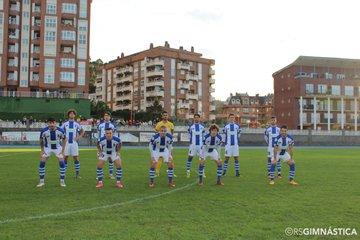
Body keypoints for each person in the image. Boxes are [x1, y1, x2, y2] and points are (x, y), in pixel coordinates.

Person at [36, 117, 67, 187]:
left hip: (58, 148)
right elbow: (41, 140)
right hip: (47, 148)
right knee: (42, 162)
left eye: (53, 123)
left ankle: (62, 181)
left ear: (55, 123)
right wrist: (42, 150)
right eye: (50, 123)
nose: (52, 124)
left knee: (62, 162)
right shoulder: (44, 131)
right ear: (48, 123)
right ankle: (41, 181)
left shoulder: (61, 130)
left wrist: (63, 151)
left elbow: (64, 140)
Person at [61, 109, 84, 178]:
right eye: (70, 113)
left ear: (74, 115)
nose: (71, 115)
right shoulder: (65, 124)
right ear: (68, 115)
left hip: (74, 143)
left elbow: (82, 131)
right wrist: (63, 138)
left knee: (76, 158)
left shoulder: (77, 124)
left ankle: (77, 174)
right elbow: (60, 132)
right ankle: (63, 174)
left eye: (73, 114)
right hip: (67, 143)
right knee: (65, 158)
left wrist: (78, 137)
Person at [154, 111, 174, 177]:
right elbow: (156, 133)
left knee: (170, 157)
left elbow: (172, 133)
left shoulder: (171, 124)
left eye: (166, 115)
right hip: (161, 144)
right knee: (160, 158)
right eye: (164, 115)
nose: (165, 116)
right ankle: (157, 172)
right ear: (162, 116)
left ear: (168, 116)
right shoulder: (159, 124)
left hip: (168, 143)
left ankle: (170, 171)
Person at [97, 112, 117, 179]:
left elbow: (114, 135)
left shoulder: (112, 126)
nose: (106, 117)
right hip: (102, 144)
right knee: (101, 160)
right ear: (104, 117)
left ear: (110, 117)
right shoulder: (100, 125)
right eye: (105, 115)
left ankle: (111, 174)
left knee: (111, 159)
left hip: (110, 144)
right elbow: (99, 135)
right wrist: (98, 145)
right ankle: (100, 174)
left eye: (108, 116)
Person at [185, 113, 205, 178]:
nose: (196, 118)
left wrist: (203, 144)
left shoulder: (202, 127)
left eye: (197, 117)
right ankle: (188, 172)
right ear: (194, 118)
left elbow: (203, 136)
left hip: (200, 146)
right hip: (193, 146)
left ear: (199, 118)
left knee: (202, 159)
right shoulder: (191, 127)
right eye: (195, 117)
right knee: (190, 158)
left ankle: (202, 172)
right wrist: (190, 143)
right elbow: (189, 135)